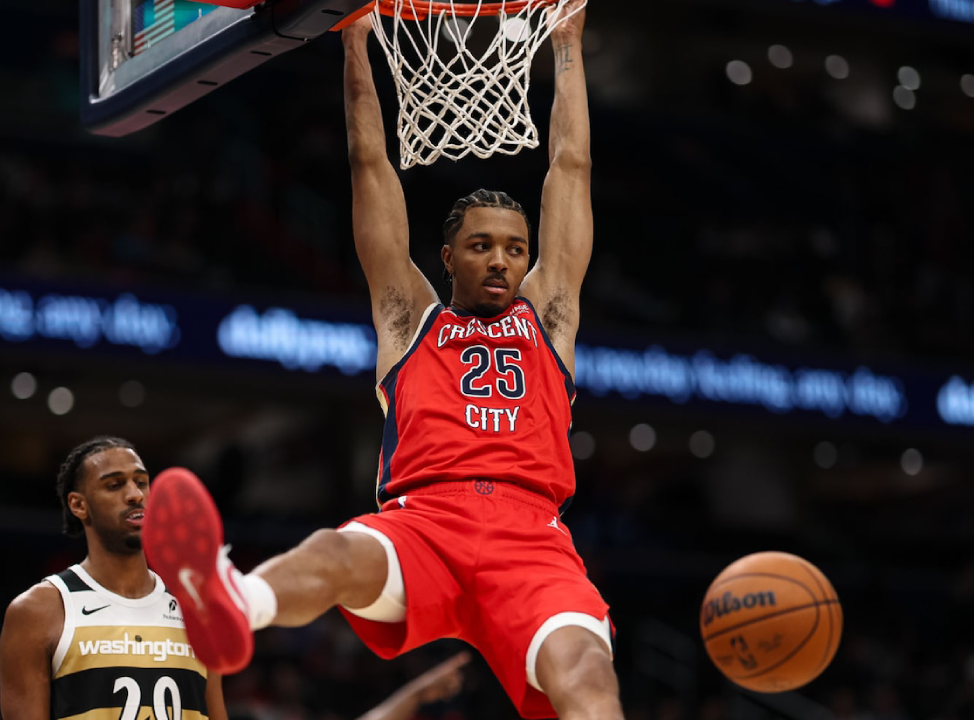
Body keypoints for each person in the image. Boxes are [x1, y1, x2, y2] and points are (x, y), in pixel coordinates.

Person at [144, 2, 621, 719]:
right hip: (424, 522)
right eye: (482, 244)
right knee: (333, 553)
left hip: (532, 537)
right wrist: (356, 41)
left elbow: (571, 166)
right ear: (448, 256)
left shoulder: (549, 316)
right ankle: (233, 603)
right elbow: (371, 166)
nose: (500, 260)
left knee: (586, 674)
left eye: (515, 248)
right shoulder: (409, 317)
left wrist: (569, 44)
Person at [0, 437, 227, 720]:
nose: (135, 495)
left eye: (141, 482)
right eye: (114, 485)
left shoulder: (193, 604)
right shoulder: (38, 611)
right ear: (79, 505)